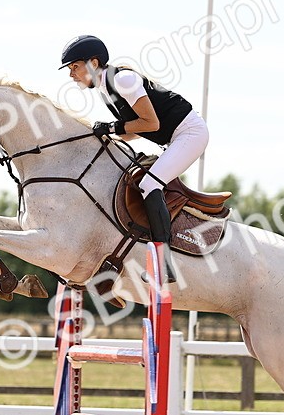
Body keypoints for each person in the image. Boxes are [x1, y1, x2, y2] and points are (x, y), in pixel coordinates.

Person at [59, 34, 210, 281]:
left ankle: (163, 265)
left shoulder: (123, 79)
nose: (71, 74)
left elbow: (151, 123)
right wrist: (105, 136)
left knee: (149, 183)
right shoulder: (105, 89)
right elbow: (136, 130)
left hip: (190, 133)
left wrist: (111, 128)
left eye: (75, 67)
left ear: (93, 63)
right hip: (174, 137)